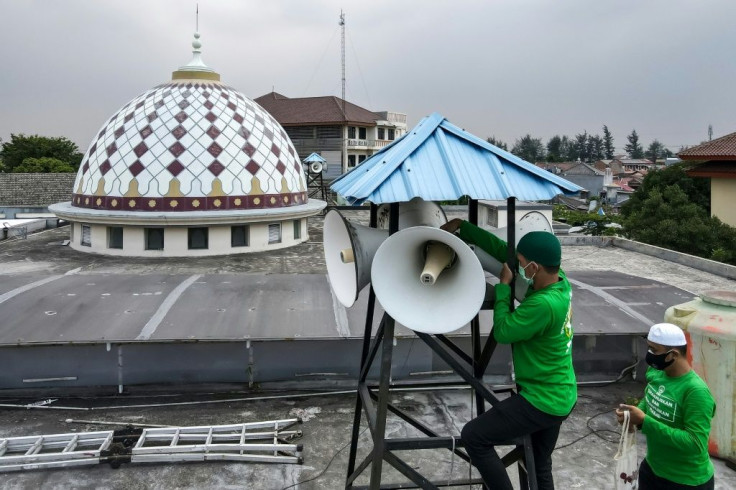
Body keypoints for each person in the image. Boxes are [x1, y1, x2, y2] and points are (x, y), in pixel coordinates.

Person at [441, 218, 576, 490]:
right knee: (539, 464)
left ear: (534, 267)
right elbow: (505, 250)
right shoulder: (560, 283)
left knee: (474, 437)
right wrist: (464, 228)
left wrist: (503, 287)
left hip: (542, 399)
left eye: (522, 263)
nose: (518, 266)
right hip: (561, 392)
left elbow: (503, 331)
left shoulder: (543, 304)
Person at [616, 323, 716, 490]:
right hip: (652, 470)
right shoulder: (658, 373)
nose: (649, 354)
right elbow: (650, 400)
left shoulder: (696, 392)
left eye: (654, 350)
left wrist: (644, 421)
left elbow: (695, 443)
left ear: (673, 354)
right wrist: (633, 417)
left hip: (685, 481)